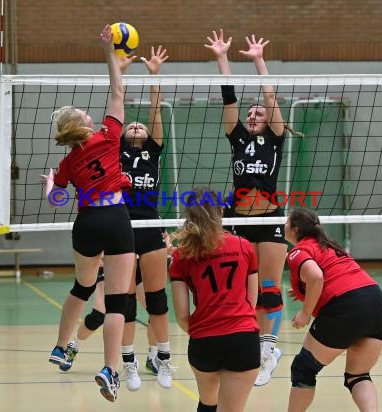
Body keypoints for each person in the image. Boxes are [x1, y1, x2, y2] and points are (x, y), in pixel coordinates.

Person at [41, 24, 134, 403]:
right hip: (115, 219)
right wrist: (108, 53)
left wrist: (50, 185)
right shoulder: (110, 136)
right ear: (81, 125)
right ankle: (110, 370)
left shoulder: (68, 162)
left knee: (81, 288)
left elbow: (57, 200)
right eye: (81, 111)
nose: (86, 111)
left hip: (87, 223)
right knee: (117, 302)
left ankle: (62, 346)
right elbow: (116, 92)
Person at [205, 29, 295, 386]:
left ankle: (268, 350)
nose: (255, 114)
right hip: (237, 220)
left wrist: (259, 60)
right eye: (252, 112)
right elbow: (230, 101)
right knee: (243, 287)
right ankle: (247, 345)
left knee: (270, 285)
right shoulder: (238, 136)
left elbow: (270, 96)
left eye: (260, 111)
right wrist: (222, 58)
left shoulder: (275, 136)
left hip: (270, 217)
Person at [284, 208, 382, 412]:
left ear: (295, 229)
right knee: (358, 375)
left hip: (346, 307)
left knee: (303, 369)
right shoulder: (330, 246)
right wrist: (304, 293)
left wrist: (305, 313)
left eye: (287, 222)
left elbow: (316, 277)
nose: (283, 226)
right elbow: (335, 275)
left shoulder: (298, 251)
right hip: (376, 303)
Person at [170, 188, 260, 412]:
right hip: (242, 338)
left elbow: (181, 316)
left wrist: (204, 329)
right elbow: (252, 301)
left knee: (208, 403)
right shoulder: (243, 246)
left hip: (204, 342)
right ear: (220, 211)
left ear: (188, 216)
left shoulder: (181, 255)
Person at [118, 45, 174, 390]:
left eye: (141, 126)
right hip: (121, 227)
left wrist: (154, 76)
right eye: (131, 126)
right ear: (123, 135)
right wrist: (120, 73)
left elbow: (155, 110)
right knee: (124, 302)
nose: (137, 127)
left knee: (156, 299)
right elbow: (117, 106)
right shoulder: (115, 152)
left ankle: (164, 360)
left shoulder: (153, 150)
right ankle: (128, 364)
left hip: (150, 225)